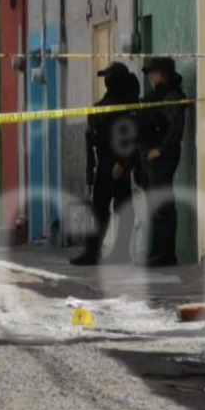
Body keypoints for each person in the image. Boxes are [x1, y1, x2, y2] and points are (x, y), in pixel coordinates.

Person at [71, 63, 141, 266]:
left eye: (111, 78)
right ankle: (92, 252)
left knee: (124, 208)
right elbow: (91, 139)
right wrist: (91, 171)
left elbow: (131, 138)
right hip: (103, 164)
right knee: (99, 209)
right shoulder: (102, 106)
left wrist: (124, 164)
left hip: (118, 165)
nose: (107, 82)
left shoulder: (126, 107)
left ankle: (121, 251)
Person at [137, 57, 188, 268]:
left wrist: (160, 150)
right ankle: (157, 252)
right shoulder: (155, 96)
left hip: (162, 158)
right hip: (150, 156)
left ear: (164, 74)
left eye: (154, 73)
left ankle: (166, 254)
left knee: (163, 206)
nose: (151, 77)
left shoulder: (172, 97)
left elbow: (175, 129)